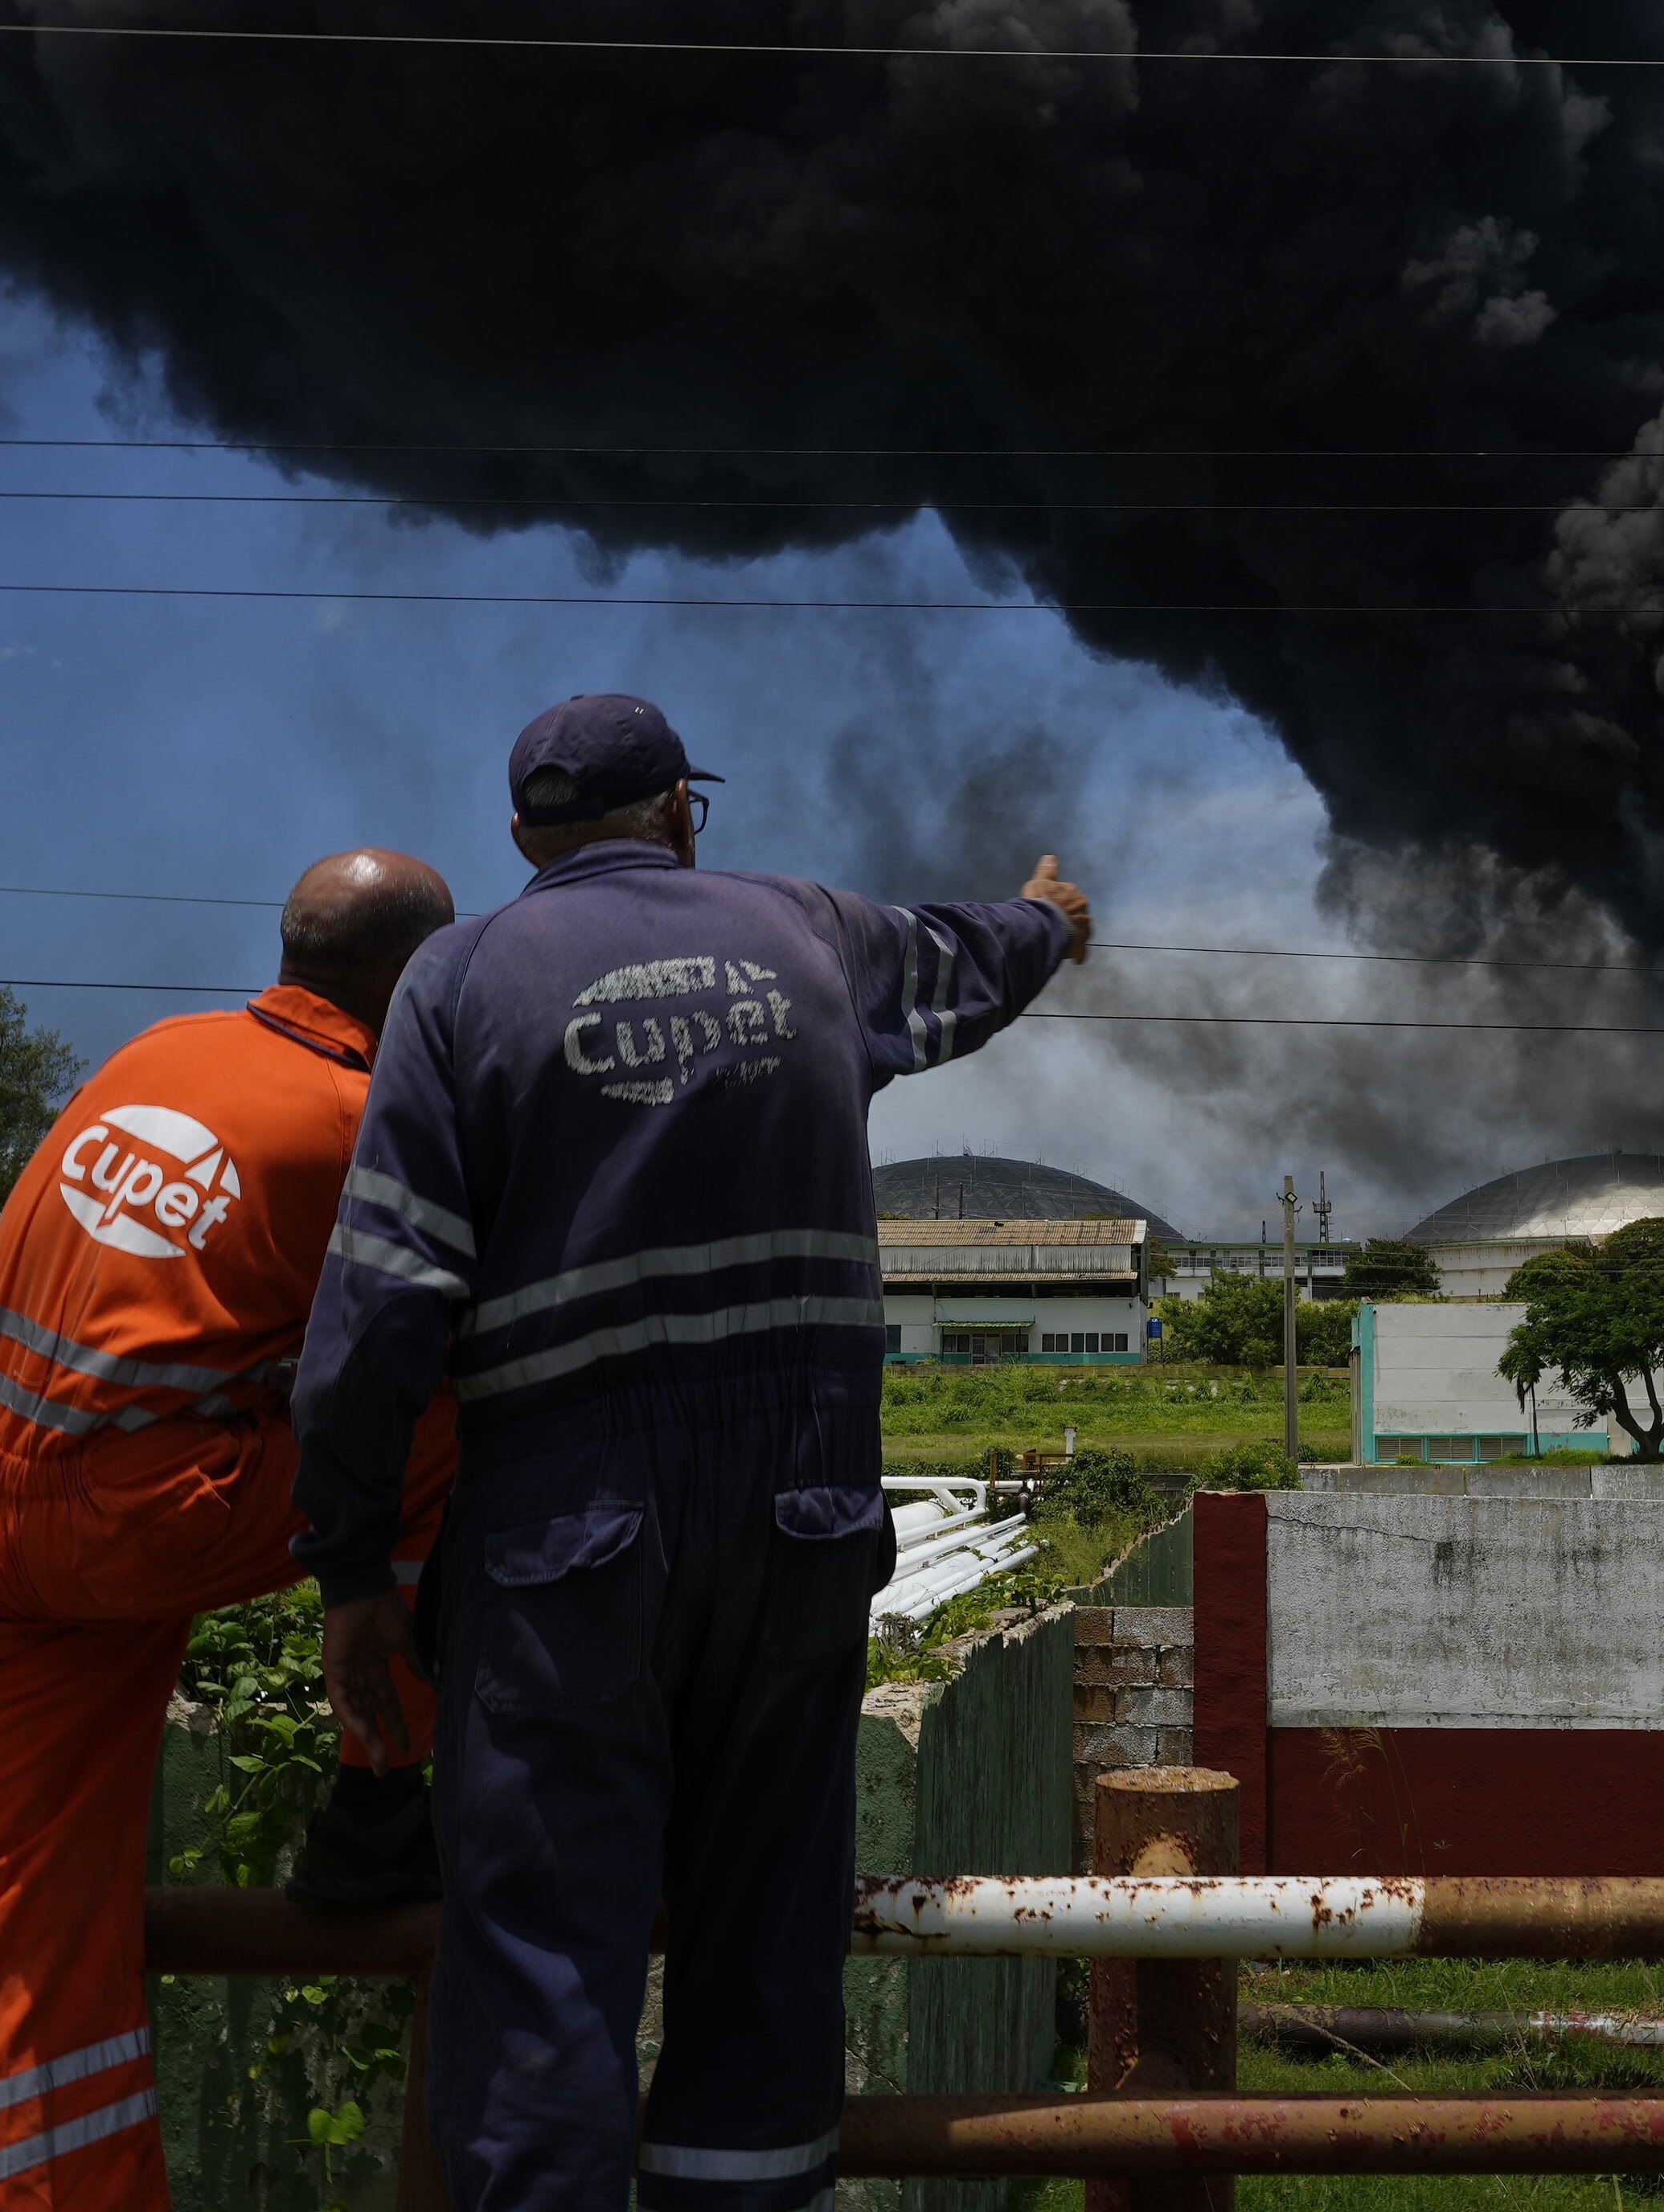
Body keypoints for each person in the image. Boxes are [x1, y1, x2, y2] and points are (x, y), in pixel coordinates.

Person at [292, 695, 1092, 2212]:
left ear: (527, 840)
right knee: (762, 1924)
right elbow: (972, 956)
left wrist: (347, 1560)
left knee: (541, 1943)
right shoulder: (812, 932)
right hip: (799, 1512)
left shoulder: (458, 979)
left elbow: (385, 1295)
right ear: (679, 811)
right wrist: (1050, 916)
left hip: (562, 1525)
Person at [0, 848, 465, 2212]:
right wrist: (351, 1583)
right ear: (414, 977)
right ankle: (386, 1792)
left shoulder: (163, 1047)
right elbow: (391, 1366)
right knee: (461, 1415)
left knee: (21, 1928)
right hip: (123, 1518)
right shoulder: (359, 1122)